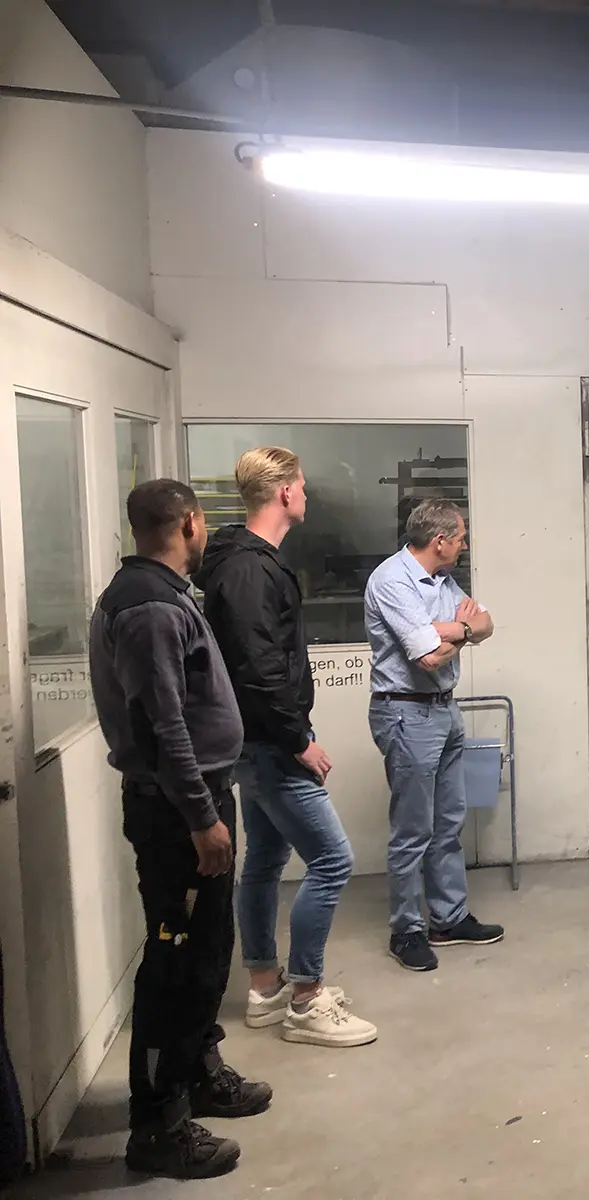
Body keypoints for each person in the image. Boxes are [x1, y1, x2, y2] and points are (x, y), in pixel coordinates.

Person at [88, 480, 271, 1179]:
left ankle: (197, 1073)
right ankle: (158, 1126)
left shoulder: (160, 595)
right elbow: (161, 726)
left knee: (205, 952)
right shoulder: (149, 608)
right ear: (190, 523)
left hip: (195, 804)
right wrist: (201, 817)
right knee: (175, 964)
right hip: (177, 816)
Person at [196, 447, 376, 1048]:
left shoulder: (244, 561)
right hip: (272, 744)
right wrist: (298, 739)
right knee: (332, 861)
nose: (306, 494)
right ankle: (304, 998)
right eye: (301, 484)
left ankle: (265, 988)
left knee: (266, 861)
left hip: (255, 741)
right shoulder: (250, 569)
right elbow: (257, 667)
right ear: (285, 493)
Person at [365, 498, 503, 972]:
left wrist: (452, 630)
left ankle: (448, 919)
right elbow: (426, 656)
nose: (464, 546)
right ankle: (406, 930)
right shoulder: (392, 580)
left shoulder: (444, 580)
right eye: (460, 538)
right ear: (440, 541)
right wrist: (462, 629)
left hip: (444, 710)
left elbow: (486, 623)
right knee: (413, 830)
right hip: (406, 714)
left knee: (448, 821)